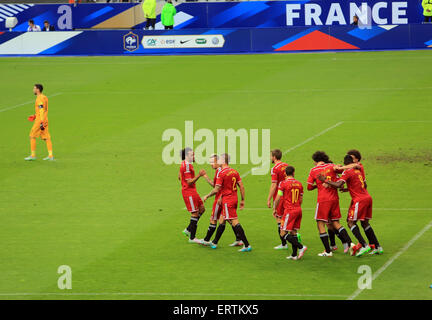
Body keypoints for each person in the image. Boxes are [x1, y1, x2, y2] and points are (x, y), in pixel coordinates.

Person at [318, 155, 383, 256]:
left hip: (359, 200)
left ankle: (364, 245)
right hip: (368, 198)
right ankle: (378, 247)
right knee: (365, 223)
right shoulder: (358, 170)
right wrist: (349, 189)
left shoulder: (347, 172)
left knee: (350, 222)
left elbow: (338, 185)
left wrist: (325, 180)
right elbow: (363, 185)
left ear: (345, 163)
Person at [307, 151, 354, 257]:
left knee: (320, 223)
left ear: (315, 161)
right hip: (334, 199)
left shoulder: (314, 170)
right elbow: (341, 178)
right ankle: (350, 243)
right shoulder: (332, 166)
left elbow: (309, 187)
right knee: (336, 223)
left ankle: (328, 251)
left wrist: (318, 185)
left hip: (323, 200)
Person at [202, 153, 251, 252]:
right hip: (234, 198)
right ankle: (215, 242)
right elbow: (241, 186)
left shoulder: (222, 173)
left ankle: (246, 245)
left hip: (228, 200)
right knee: (222, 219)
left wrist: (207, 195)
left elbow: (216, 189)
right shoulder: (234, 171)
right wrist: (242, 200)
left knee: (234, 222)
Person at [273, 166, 307, 260]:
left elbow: (278, 197)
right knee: (293, 232)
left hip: (290, 211)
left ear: (285, 174)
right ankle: (294, 255)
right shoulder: (299, 184)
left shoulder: (283, 183)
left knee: (283, 233)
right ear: (293, 173)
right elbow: (301, 199)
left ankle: (301, 247)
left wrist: (274, 208)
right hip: (298, 209)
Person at [179, 147, 205, 244]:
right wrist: (199, 175)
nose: (194, 156)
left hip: (193, 190)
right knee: (194, 213)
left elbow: (180, 176)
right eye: (192, 155)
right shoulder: (186, 166)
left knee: (202, 209)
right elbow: (189, 182)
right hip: (188, 191)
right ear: (186, 156)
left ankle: (188, 229)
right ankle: (192, 238)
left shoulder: (186, 164)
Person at [267, 149, 291, 250]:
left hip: (279, 196)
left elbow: (274, 185)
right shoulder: (287, 166)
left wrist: (268, 199)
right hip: (289, 195)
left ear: (274, 157)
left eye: (270, 156)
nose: (269, 157)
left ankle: (284, 243)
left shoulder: (275, 168)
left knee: (279, 219)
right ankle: (294, 238)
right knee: (288, 218)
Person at [25, 84, 54, 161]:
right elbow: (43, 110)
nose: (33, 90)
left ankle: (33, 155)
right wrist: (35, 115)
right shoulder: (44, 97)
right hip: (45, 119)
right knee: (46, 137)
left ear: (38, 90)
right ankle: (50, 156)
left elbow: (41, 110)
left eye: (34, 88)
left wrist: (40, 121)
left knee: (32, 136)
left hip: (40, 121)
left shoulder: (39, 99)